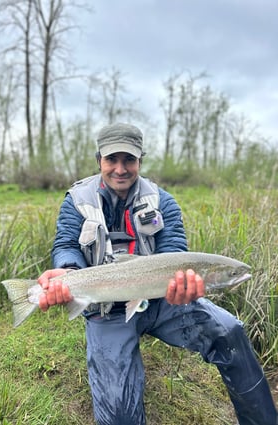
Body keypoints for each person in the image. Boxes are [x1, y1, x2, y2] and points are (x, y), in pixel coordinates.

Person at [38, 122, 277, 425]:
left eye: (130, 160)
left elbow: (175, 251)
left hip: (163, 302)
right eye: (112, 160)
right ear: (99, 160)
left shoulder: (162, 201)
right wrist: (68, 272)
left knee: (229, 331)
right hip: (105, 308)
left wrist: (181, 288)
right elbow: (67, 245)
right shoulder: (76, 200)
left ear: (140, 160)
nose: (121, 169)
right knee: (120, 416)